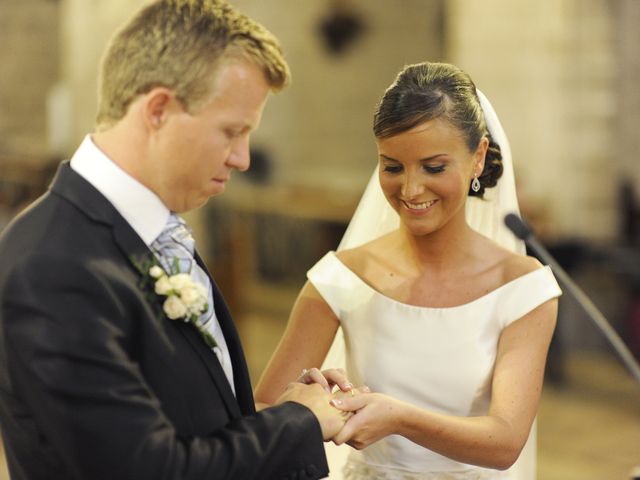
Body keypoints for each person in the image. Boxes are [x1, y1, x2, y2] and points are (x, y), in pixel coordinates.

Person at [0, 1, 351, 479]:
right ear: (159, 110)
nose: (243, 158)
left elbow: (192, 418)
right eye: (232, 131)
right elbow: (147, 470)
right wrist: (297, 424)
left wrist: (276, 411)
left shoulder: (152, 229)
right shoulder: (53, 266)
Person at [255, 62, 562, 479]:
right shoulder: (341, 278)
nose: (411, 189)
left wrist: (398, 418)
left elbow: (505, 441)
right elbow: (263, 412)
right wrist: (310, 405)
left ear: (478, 157)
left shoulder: (522, 287)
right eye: (393, 167)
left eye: (434, 167)